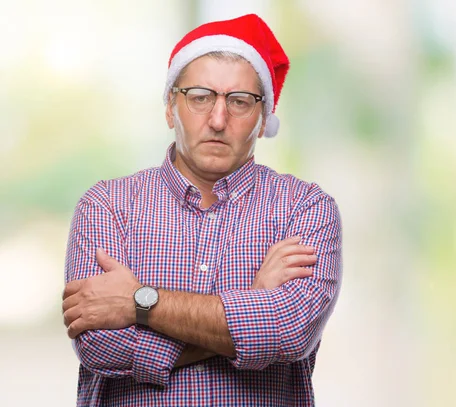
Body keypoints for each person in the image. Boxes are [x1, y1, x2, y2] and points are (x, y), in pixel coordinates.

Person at [61, 13, 342, 407]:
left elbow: (290, 330)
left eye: (240, 101)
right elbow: (100, 346)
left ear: (263, 120)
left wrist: (140, 302)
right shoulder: (108, 205)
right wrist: (251, 303)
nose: (218, 118)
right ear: (169, 108)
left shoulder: (304, 208)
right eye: (200, 97)